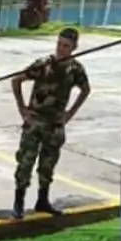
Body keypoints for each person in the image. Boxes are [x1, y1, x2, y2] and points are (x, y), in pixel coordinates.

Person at [9, 27, 91, 219]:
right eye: (59, 44)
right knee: (25, 163)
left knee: (48, 165)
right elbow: (16, 80)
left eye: (66, 46)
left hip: (55, 126)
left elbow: (86, 90)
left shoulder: (75, 69)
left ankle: (42, 201)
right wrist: (22, 108)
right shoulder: (44, 64)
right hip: (35, 123)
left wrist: (70, 113)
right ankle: (18, 202)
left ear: (74, 47)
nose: (61, 49)